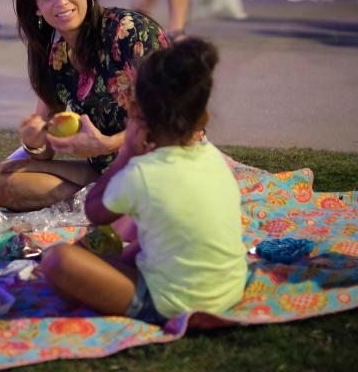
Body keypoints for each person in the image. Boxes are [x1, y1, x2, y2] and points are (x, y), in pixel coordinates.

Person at [39, 38, 246, 324]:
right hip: (228, 290)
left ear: (135, 110)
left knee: (57, 260)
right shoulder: (211, 156)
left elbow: (95, 211)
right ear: (203, 116)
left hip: (174, 301)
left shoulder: (142, 173)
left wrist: (125, 155)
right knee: (134, 229)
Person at [0, 0, 168, 211]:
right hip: (105, 172)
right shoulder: (56, 57)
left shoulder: (130, 31)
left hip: (159, 162)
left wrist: (106, 145)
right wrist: (34, 141)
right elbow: (44, 146)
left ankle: (115, 203)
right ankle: (108, 202)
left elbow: (171, 120)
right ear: (37, 7)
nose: (61, 2)